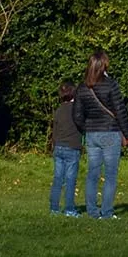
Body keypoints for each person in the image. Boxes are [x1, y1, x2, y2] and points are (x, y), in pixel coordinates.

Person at [72, 50, 128, 220]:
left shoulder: (81, 87)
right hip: (110, 133)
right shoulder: (111, 85)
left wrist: (86, 128)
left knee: (92, 174)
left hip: (92, 135)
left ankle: (92, 212)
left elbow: (77, 115)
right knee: (110, 175)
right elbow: (120, 111)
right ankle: (107, 212)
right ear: (104, 66)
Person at [48, 82, 83, 217]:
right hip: (72, 147)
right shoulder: (77, 110)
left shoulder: (58, 110)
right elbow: (82, 125)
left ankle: (54, 208)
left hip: (58, 147)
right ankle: (69, 209)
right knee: (70, 180)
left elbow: (55, 131)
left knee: (58, 179)